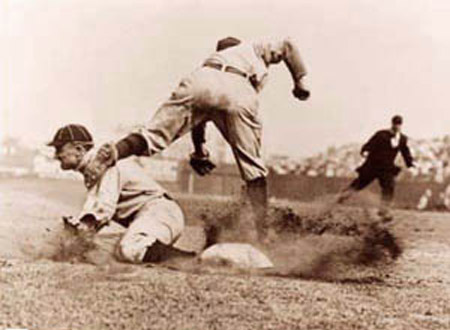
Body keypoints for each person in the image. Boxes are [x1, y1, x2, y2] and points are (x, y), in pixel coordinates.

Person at [82, 36, 310, 240]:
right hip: (239, 89)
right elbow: (288, 44)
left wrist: (200, 151)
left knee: (152, 135)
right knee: (254, 169)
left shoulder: (212, 61)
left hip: (201, 82)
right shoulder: (254, 49)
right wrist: (300, 82)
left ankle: (115, 151)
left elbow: (197, 120)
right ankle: (263, 235)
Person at [48, 124, 192, 264]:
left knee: (129, 249)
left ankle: (194, 260)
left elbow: (103, 208)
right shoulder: (93, 168)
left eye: (59, 148)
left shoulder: (105, 162)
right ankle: (156, 248)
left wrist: (83, 228)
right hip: (150, 217)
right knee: (101, 251)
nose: (56, 155)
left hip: (160, 213)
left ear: (79, 149)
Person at [337, 115, 414, 218]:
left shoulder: (402, 139)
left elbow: (405, 151)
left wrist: (410, 163)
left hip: (386, 168)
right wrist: (365, 150)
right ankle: (340, 198)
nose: (397, 126)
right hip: (373, 166)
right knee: (359, 184)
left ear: (401, 125)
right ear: (392, 124)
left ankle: (384, 210)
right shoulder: (381, 134)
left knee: (389, 187)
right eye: (395, 123)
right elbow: (370, 144)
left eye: (399, 124)